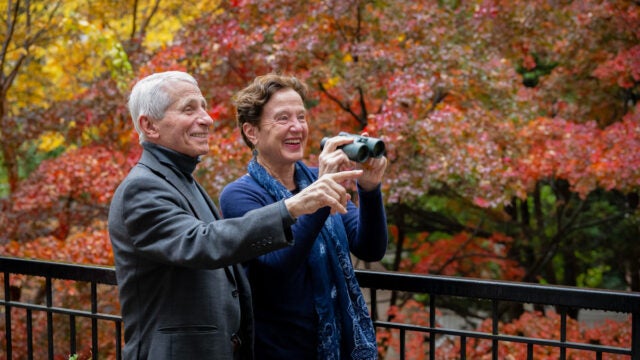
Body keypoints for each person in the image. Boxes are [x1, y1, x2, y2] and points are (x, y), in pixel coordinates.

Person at [108, 71, 363, 360]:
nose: (206, 118)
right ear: (149, 125)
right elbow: (202, 243)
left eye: (204, 107)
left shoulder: (181, 179)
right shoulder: (142, 187)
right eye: (189, 109)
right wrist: (292, 207)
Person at [219, 74, 389, 359]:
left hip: (342, 347)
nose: (297, 127)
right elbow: (277, 267)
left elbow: (369, 247)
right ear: (252, 132)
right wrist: (321, 195)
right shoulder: (239, 195)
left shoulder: (316, 177)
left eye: (301, 117)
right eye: (283, 118)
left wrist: (370, 189)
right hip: (280, 349)